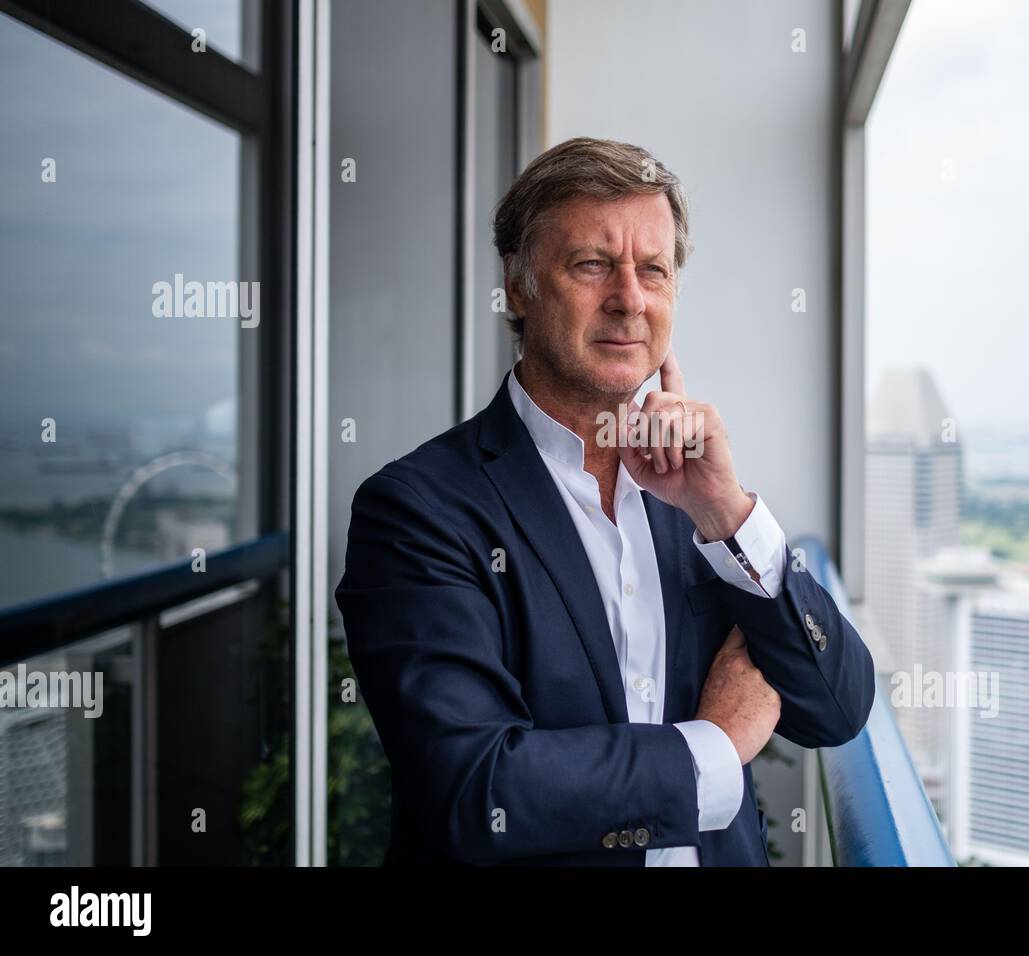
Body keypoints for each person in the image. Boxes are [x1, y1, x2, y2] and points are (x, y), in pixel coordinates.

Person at [334, 136, 874, 866]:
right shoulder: (418, 510)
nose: (629, 299)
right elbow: (476, 789)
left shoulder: (696, 498)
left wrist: (727, 512)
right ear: (519, 287)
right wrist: (716, 747)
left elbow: (835, 708)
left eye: (653, 270)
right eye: (592, 265)